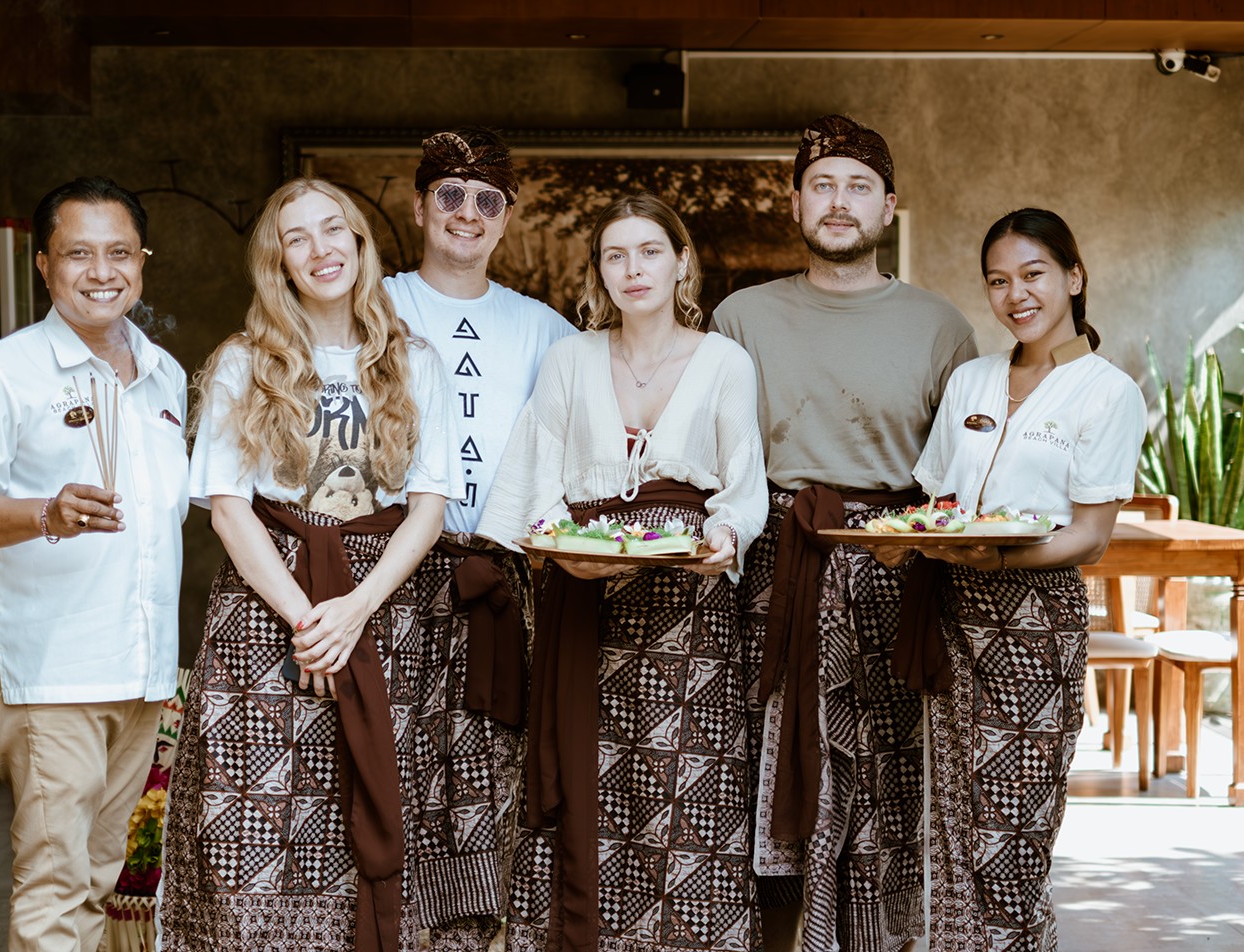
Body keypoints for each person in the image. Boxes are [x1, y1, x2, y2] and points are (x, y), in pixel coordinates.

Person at [158, 178, 463, 951]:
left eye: (334, 230)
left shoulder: (413, 361)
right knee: (256, 815)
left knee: (374, 803)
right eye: (297, 238)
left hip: (385, 610)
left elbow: (428, 508)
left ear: (359, 245)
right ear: (278, 261)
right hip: (268, 615)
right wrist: (309, 623)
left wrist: (354, 609)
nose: (320, 249)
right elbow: (229, 510)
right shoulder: (243, 363)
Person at [712, 115, 978, 952]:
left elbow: (962, 475)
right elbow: (715, 457)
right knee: (765, 776)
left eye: (858, 186)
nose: (838, 201)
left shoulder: (940, 326)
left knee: (885, 789)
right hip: (773, 566)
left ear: (887, 206)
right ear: (794, 203)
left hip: (896, 571)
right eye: (821, 185)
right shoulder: (740, 318)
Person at [477, 193, 769, 952]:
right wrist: (559, 544)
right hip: (583, 596)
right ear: (599, 272)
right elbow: (538, 476)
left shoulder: (725, 362)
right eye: (616, 255)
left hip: (688, 608)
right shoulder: (569, 359)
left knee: (685, 786)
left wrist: (725, 535)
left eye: (649, 251)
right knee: (592, 782)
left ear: (680, 263)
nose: (633, 269)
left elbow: (742, 481)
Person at [0, 176, 187, 952]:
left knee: (102, 878)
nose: (101, 271)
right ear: (44, 264)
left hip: (141, 673)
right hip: (54, 677)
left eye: (119, 252)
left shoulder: (165, 374)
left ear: (141, 260)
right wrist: (47, 513)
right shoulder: (0, 371)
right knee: (55, 887)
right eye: (78, 253)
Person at [904, 208, 1145, 950]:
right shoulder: (972, 379)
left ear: (1073, 277)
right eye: (997, 281)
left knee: (1013, 829)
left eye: (1033, 274)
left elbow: (1090, 537)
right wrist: (907, 541)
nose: (1016, 295)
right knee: (951, 818)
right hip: (952, 611)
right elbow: (937, 502)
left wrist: (1001, 560)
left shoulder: (1106, 391)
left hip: (1036, 624)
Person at [383, 127, 577, 951]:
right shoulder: (373, 305)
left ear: (505, 218)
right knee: (390, 766)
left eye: (487, 200)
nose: (468, 213)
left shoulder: (544, 329)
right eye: (451, 195)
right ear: (419, 206)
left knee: (493, 774)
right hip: (386, 573)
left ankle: (482, 936)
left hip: (502, 582)